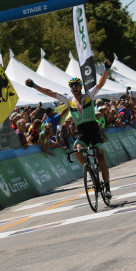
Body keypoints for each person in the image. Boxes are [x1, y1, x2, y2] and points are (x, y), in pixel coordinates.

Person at [25, 58, 113, 199]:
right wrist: (34, 85)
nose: (74, 88)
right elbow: (50, 92)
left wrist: (106, 69)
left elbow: (100, 83)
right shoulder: (68, 100)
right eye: (72, 86)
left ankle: (107, 187)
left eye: (76, 85)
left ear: (80, 87)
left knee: (101, 158)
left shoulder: (89, 96)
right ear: (70, 88)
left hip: (93, 128)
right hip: (82, 131)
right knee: (77, 150)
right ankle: (88, 169)